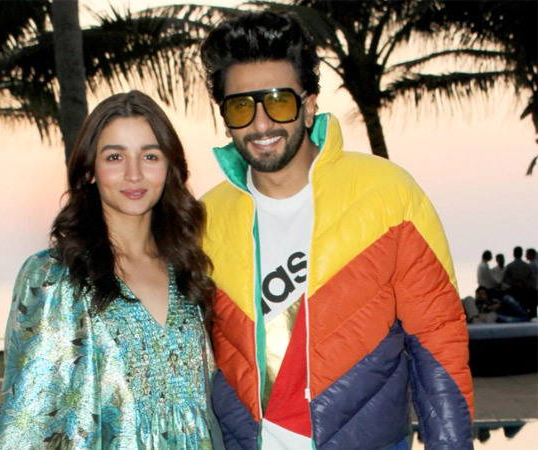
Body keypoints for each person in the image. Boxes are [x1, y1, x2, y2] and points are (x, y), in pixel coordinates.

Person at [200, 10, 473, 450]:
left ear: (309, 106)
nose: (262, 124)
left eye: (279, 101)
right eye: (241, 106)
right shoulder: (203, 220)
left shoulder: (388, 193)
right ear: (226, 117)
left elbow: (438, 341)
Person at [0, 91, 223, 449]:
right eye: (115, 157)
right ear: (90, 170)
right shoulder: (55, 277)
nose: (134, 174)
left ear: (170, 167)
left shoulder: (188, 270)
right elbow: (26, 424)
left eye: (150, 156)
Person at [462, 286, 529, 324]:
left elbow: (501, 304)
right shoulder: (473, 304)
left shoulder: (492, 301)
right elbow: (481, 310)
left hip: (504, 313)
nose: (480, 295)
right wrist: (490, 308)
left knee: (507, 298)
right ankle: (525, 318)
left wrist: (498, 305)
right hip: (497, 318)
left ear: (486, 296)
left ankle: (524, 315)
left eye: (483, 294)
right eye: (478, 294)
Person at [504, 246, 537, 317]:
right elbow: (532, 280)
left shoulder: (509, 266)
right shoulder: (527, 266)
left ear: (513, 254)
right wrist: (524, 284)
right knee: (524, 309)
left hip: (513, 291)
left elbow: (504, 280)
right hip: (525, 291)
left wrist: (514, 283)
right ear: (521, 254)